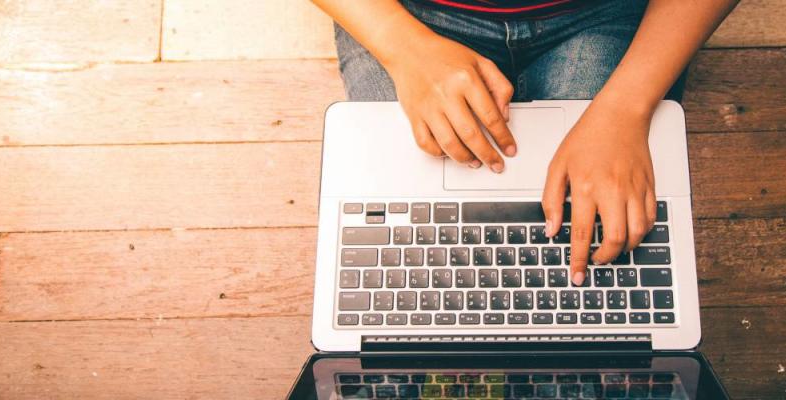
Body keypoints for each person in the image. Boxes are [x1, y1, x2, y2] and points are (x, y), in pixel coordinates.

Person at [311, 0, 737, 286]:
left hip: (603, 11)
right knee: (414, 264)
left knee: (593, 260)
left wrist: (626, 106)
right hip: (402, 13)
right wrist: (402, 46)